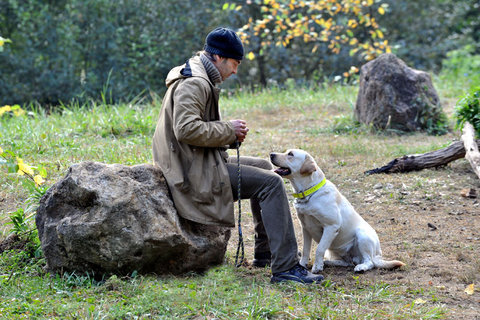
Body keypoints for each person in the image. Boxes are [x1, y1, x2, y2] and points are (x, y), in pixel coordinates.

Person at [152, 27, 324, 284]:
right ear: (218, 58)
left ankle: (266, 254)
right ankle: (286, 268)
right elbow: (185, 129)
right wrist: (227, 130)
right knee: (273, 183)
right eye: (234, 64)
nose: (235, 71)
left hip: (194, 162)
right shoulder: (195, 83)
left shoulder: (198, 74)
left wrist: (228, 137)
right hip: (188, 173)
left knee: (267, 168)